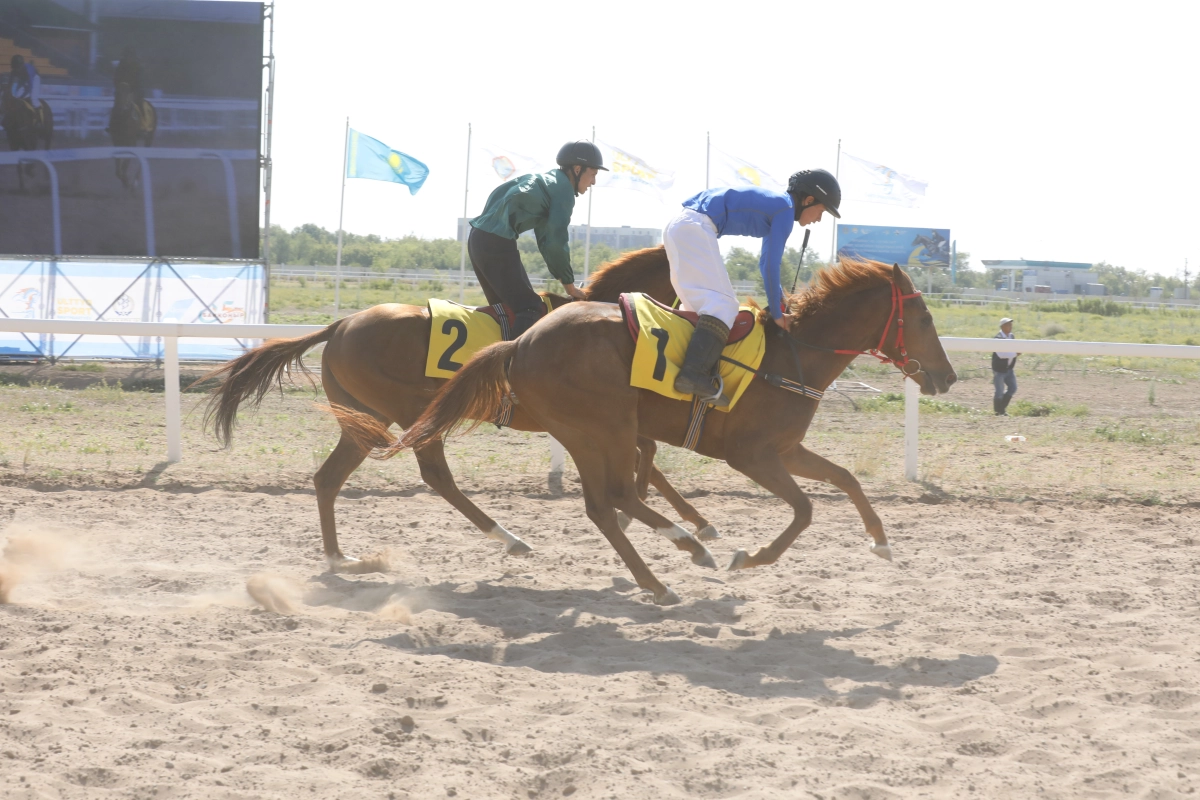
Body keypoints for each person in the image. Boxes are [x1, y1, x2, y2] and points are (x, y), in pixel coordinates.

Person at [664, 169, 841, 405]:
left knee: (700, 311)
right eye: (821, 211)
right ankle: (693, 375)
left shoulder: (780, 207)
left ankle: (688, 373)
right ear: (808, 200)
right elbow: (770, 266)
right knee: (724, 305)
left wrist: (779, 301)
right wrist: (778, 315)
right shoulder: (785, 210)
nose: (819, 219)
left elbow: (765, 263)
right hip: (694, 227)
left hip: (682, 226)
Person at [467, 141, 605, 337]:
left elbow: (545, 240)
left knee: (506, 311)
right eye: (593, 174)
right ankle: (513, 366)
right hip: (495, 242)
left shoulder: (546, 182)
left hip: (477, 239)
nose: (593, 182)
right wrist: (569, 286)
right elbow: (555, 242)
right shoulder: (563, 191)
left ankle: (497, 360)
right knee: (530, 308)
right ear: (577, 169)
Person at [992, 316, 1020, 415]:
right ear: (1003, 326)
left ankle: (1000, 410)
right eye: (1008, 324)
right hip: (999, 369)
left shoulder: (1011, 336)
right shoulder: (998, 338)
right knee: (999, 391)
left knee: (1013, 388)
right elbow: (1001, 355)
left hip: (1009, 369)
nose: (1011, 326)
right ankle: (999, 411)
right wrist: (1015, 354)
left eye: (1011, 324)